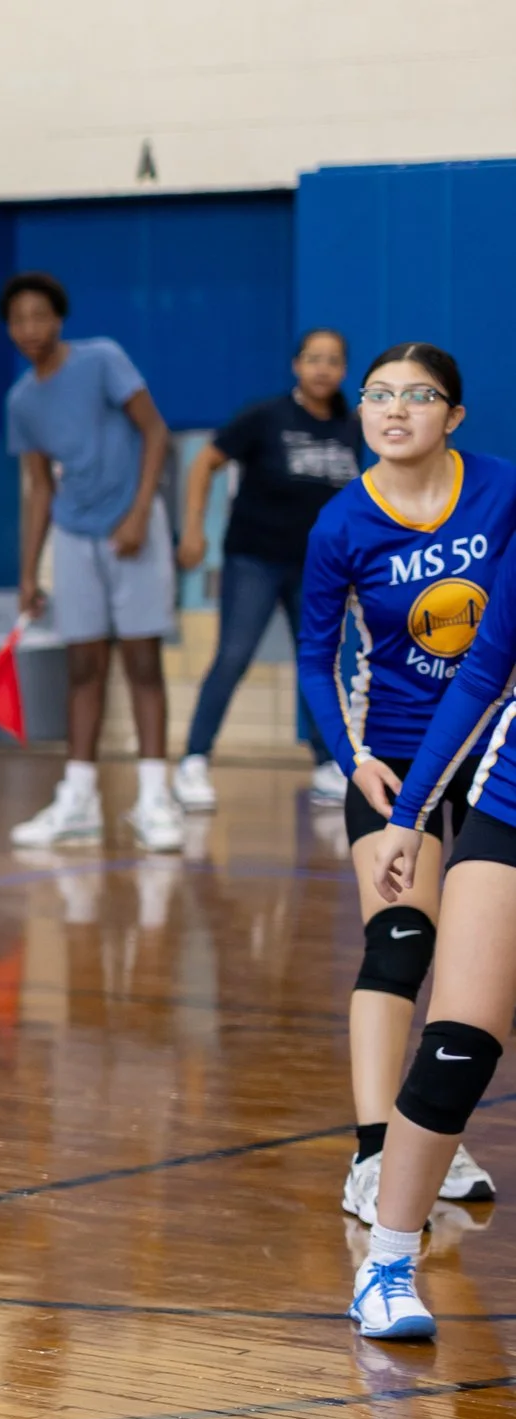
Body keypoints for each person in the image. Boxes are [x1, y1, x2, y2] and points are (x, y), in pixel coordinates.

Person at [295, 344, 505, 1251]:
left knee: (476, 971)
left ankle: (435, 1140)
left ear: (452, 416)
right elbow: (312, 656)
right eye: (379, 395)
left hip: (492, 749)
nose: (395, 409)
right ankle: (374, 1150)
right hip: (392, 757)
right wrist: (350, 759)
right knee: (401, 940)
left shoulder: (500, 492)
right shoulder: (341, 523)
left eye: (419, 396)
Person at [0, 273, 183, 853]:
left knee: (142, 661)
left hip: (132, 528)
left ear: (59, 318)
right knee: (83, 667)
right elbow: (37, 490)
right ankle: (77, 799)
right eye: (18, 319)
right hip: (74, 537)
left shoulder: (102, 359)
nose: (29, 329)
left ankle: (154, 796)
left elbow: (156, 434)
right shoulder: (22, 400)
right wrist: (29, 571)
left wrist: (137, 513)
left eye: (39, 316)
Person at [173, 330, 360, 812]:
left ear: (344, 370)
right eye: (313, 359)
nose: (322, 368)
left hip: (317, 568)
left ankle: (325, 763)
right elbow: (203, 464)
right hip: (254, 558)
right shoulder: (266, 417)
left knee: (318, 663)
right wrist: (193, 531)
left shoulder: (351, 427)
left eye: (333, 361)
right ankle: (193, 760)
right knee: (233, 655)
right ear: (297, 365)